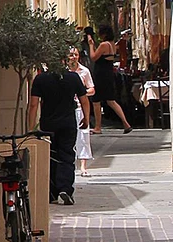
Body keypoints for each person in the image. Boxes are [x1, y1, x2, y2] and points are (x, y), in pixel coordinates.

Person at [27, 54, 90, 206]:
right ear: (64, 61)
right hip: (68, 122)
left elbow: (34, 105)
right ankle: (66, 189)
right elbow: (84, 100)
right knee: (67, 155)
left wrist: (30, 128)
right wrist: (86, 118)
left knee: (51, 155)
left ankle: (52, 191)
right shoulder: (73, 78)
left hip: (48, 124)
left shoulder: (40, 79)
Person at [87, 24, 132, 135]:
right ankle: (126, 123)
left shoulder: (103, 45)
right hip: (108, 74)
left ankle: (98, 127)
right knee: (111, 100)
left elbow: (93, 57)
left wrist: (91, 45)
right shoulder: (112, 44)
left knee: (96, 101)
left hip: (101, 75)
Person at [67, 46, 96, 176]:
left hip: (79, 107)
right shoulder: (63, 72)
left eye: (76, 55)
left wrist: (81, 93)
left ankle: (83, 166)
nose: (74, 57)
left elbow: (92, 89)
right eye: (71, 55)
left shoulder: (84, 71)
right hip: (67, 108)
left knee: (83, 136)